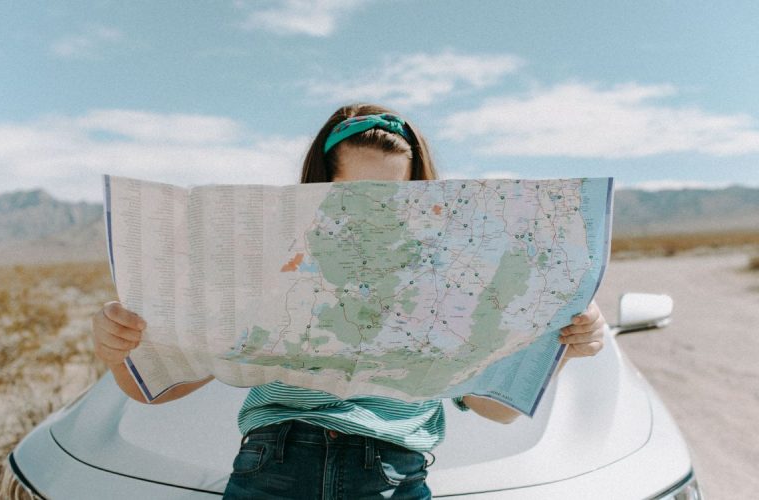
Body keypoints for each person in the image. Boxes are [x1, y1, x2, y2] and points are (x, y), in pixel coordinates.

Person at [91, 103, 607, 499]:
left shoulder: (455, 273)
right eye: (348, 194)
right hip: (274, 463)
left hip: (393, 474)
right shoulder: (271, 261)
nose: (368, 212)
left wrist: (562, 347)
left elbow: (494, 410)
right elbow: (157, 390)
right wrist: (120, 351)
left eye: (390, 197)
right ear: (317, 188)